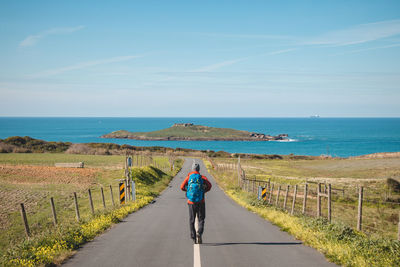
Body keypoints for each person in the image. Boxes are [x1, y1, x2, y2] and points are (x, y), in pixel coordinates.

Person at [180, 162, 212, 244]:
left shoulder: (188, 177)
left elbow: (181, 187)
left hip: (191, 202)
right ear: (199, 169)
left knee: (192, 220)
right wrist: (204, 191)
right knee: (201, 219)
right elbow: (210, 186)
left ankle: (193, 237)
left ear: (192, 169)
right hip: (201, 201)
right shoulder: (202, 177)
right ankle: (199, 232)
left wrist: (188, 192)